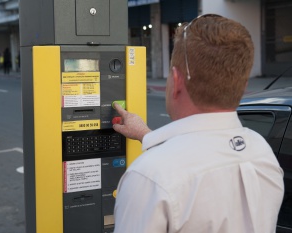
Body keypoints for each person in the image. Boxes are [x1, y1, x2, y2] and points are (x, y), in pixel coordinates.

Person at [112, 14, 284, 233]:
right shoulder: (262, 153)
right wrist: (145, 134)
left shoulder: (148, 177)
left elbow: (183, 166)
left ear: (176, 81)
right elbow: (204, 155)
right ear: (241, 84)